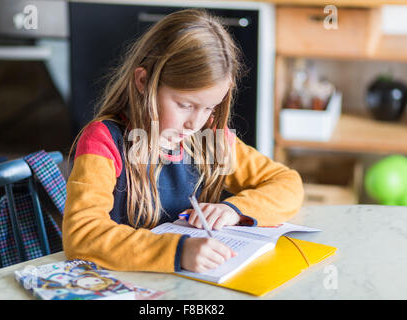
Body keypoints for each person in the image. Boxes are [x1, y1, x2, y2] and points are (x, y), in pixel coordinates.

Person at [63, 9, 304, 275]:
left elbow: (288, 183)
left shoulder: (208, 139)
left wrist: (235, 209)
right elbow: (82, 235)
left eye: (209, 108)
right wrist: (178, 251)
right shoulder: (103, 141)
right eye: (185, 105)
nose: (195, 123)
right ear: (143, 81)